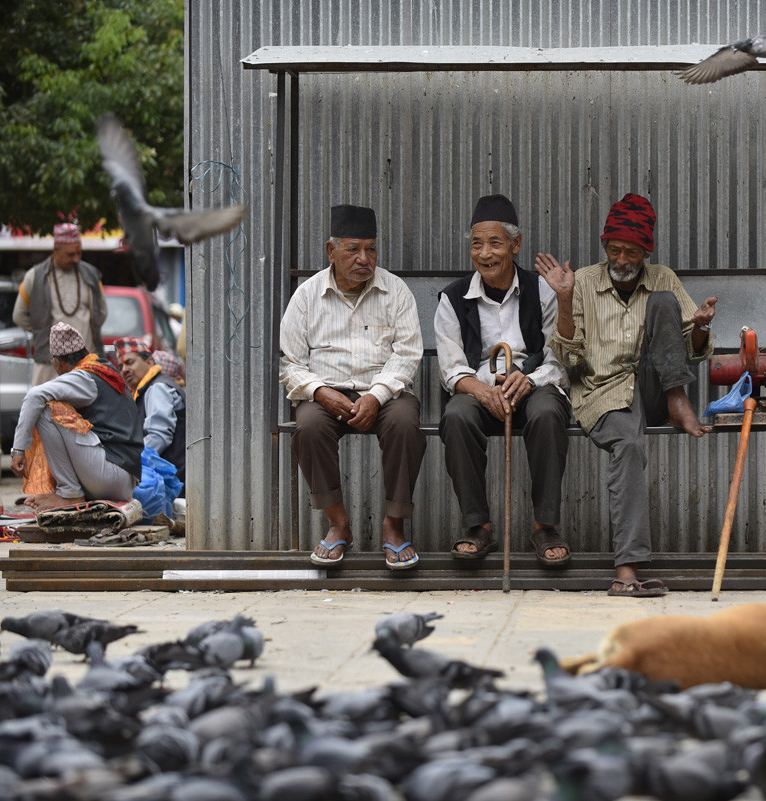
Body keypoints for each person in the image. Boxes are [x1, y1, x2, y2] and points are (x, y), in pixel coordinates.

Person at [535, 193, 717, 598]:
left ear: (645, 252)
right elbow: (569, 356)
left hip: (655, 385)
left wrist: (701, 326)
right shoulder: (580, 282)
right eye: (614, 249)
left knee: (665, 302)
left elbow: (693, 346)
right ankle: (626, 572)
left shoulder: (663, 278)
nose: (620, 259)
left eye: (630, 252)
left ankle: (676, 399)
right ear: (605, 248)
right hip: (603, 392)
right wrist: (564, 299)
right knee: (630, 445)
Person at [279, 204, 426, 570]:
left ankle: (393, 525)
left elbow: (408, 355)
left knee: (406, 422)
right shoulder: (307, 296)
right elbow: (289, 363)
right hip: (326, 393)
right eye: (353, 249)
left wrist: (376, 396)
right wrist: (320, 392)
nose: (364, 259)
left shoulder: (396, 292)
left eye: (371, 249)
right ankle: (338, 522)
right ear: (332, 251)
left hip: (384, 393)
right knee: (308, 426)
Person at [435, 194, 572, 565]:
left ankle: (545, 526)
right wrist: (481, 390)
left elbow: (559, 357)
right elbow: (451, 368)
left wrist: (529, 380)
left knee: (547, 413)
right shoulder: (452, 298)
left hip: (533, 384)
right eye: (476, 244)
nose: (485, 253)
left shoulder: (543, 290)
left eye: (495, 243)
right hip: (479, 389)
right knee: (457, 416)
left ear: (515, 244)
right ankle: (478, 527)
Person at [10, 322, 143, 512]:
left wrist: (18, 451)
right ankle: (66, 491)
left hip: (111, 474)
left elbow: (34, 396)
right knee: (57, 408)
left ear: (57, 361)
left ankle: (69, 493)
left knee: (48, 410)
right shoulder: (102, 370)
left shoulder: (85, 377)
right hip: (123, 479)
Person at [13, 222, 108, 385]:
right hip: (49, 364)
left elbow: (102, 312)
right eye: (70, 255)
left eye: (79, 253)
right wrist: (45, 333)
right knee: (48, 407)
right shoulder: (35, 276)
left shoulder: (91, 274)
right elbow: (19, 316)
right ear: (56, 249)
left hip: (86, 362)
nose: (76, 259)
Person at [114, 337, 186, 482]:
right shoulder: (146, 391)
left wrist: (129, 463)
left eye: (130, 362)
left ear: (149, 362)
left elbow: (159, 436)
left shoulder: (157, 388)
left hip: (175, 480)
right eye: (121, 366)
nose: (124, 370)